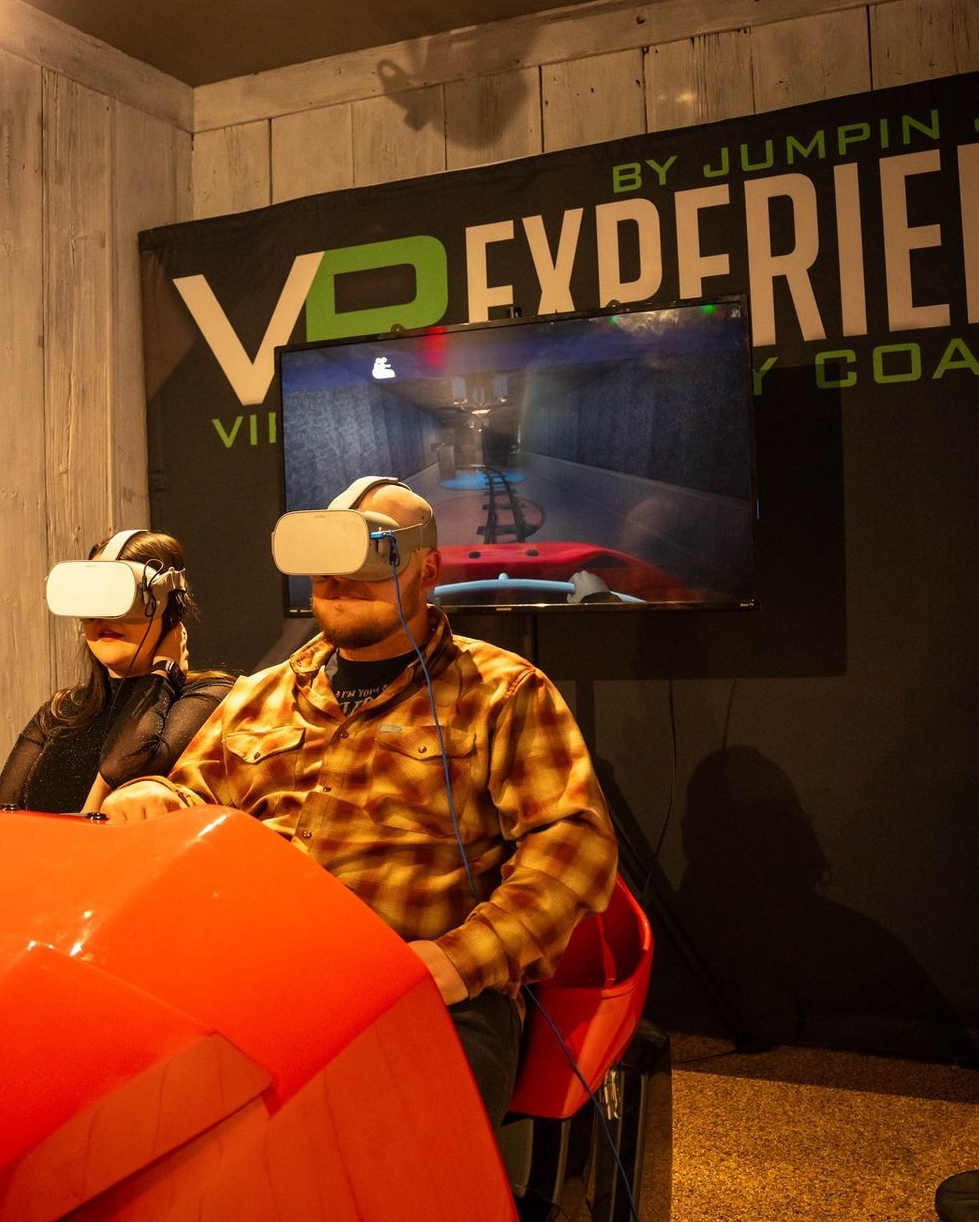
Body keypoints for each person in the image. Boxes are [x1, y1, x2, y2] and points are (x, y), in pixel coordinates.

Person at [101, 480, 617, 1127]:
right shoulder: (259, 697)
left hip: (426, 994)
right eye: (326, 561)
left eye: (371, 557)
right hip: (256, 983)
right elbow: (195, 797)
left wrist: (458, 961)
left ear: (428, 570)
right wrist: (154, 795)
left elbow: (574, 850)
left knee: (391, 1152)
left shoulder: (503, 694)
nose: (340, 580)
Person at [0, 530, 235, 815]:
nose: (105, 615)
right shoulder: (62, 710)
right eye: (93, 596)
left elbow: (120, 766)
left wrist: (164, 672)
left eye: (123, 596)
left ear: (169, 607)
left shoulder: (211, 696)